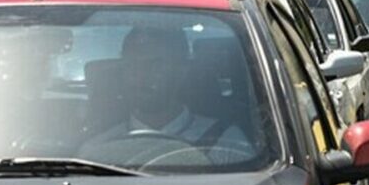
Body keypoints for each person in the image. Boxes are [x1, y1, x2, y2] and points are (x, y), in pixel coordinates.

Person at [79, 26, 254, 169]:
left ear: (181, 71)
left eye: (154, 65)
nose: (140, 75)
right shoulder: (95, 153)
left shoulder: (225, 144)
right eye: (132, 64)